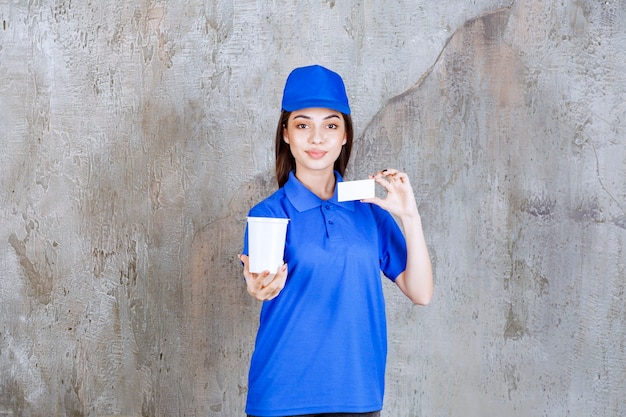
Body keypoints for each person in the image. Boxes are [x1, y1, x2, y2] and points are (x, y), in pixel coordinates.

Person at [238, 64, 433, 417]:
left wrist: (410, 216)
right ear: (286, 134)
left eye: (330, 125)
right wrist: (257, 288)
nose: (317, 138)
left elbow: (421, 292)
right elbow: (258, 280)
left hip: (357, 395)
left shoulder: (368, 209)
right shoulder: (268, 213)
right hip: (281, 397)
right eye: (303, 125)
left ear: (344, 135)